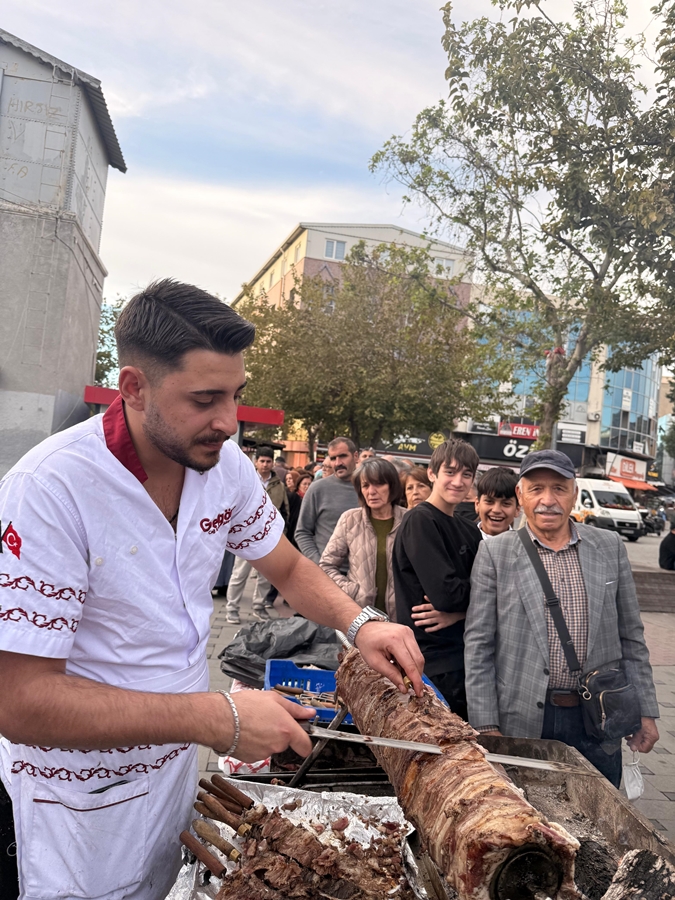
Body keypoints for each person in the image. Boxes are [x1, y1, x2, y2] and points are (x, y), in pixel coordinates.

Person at [0, 279, 425, 900]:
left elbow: (287, 566)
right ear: (134, 388)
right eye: (204, 399)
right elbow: (20, 701)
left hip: (173, 770)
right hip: (73, 794)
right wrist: (217, 716)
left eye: (236, 395)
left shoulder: (221, 466)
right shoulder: (50, 491)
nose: (228, 422)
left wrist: (361, 624)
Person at [465, 449, 659, 787]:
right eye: (537, 489)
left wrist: (645, 710)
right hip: (523, 718)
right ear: (520, 495)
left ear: (575, 495)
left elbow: (631, 637)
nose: (547, 499)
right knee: (526, 823)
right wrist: (485, 723)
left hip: (598, 718)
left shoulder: (609, 546)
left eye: (558, 488)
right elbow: (479, 644)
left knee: (600, 820)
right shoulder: (496, 553)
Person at [393, 439, 482, 717]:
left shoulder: (470, 530)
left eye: (466, 474)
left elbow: (494, 592)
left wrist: (458, 614)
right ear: (432, 474)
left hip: (466, 657)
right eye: (450, 472)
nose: (458, 481)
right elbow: (446, 594)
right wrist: (468, 601)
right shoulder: (420, 521)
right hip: (433, 662)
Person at [320, 459, 406, 621]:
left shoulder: (410, 520)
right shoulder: (350, 519)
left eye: (379, 484)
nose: (371, 491)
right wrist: (351, 591)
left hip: (401, 617)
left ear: (392, 486)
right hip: (359, 615)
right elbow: (326, 565)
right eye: (365, 485)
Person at [224, 446, 289, 624]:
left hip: (268, 537)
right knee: (239, 574)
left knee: (265, 577)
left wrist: (281, 531)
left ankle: (259, 607)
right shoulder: (247, 479)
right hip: (245, 536)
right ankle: (232, 608)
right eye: (262, 461)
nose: (265, 464)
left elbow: (283, 510)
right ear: (256, 462)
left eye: (269, 461)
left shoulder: (279, 485)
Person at [295, 438, 360, 564]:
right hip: (326, 574)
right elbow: (302, 532)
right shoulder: (317, 489)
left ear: (355, 456)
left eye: (343, 456)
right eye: (333, 458)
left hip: (363, 575)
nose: (337, 463)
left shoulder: (369, 487)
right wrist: (319, 564)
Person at [474, 467, 520, 538]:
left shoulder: (524, 547)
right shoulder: (459, 539)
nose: (496, 510)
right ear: (477, 504)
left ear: (517, 509)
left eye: (506, 503)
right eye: (489, 501)